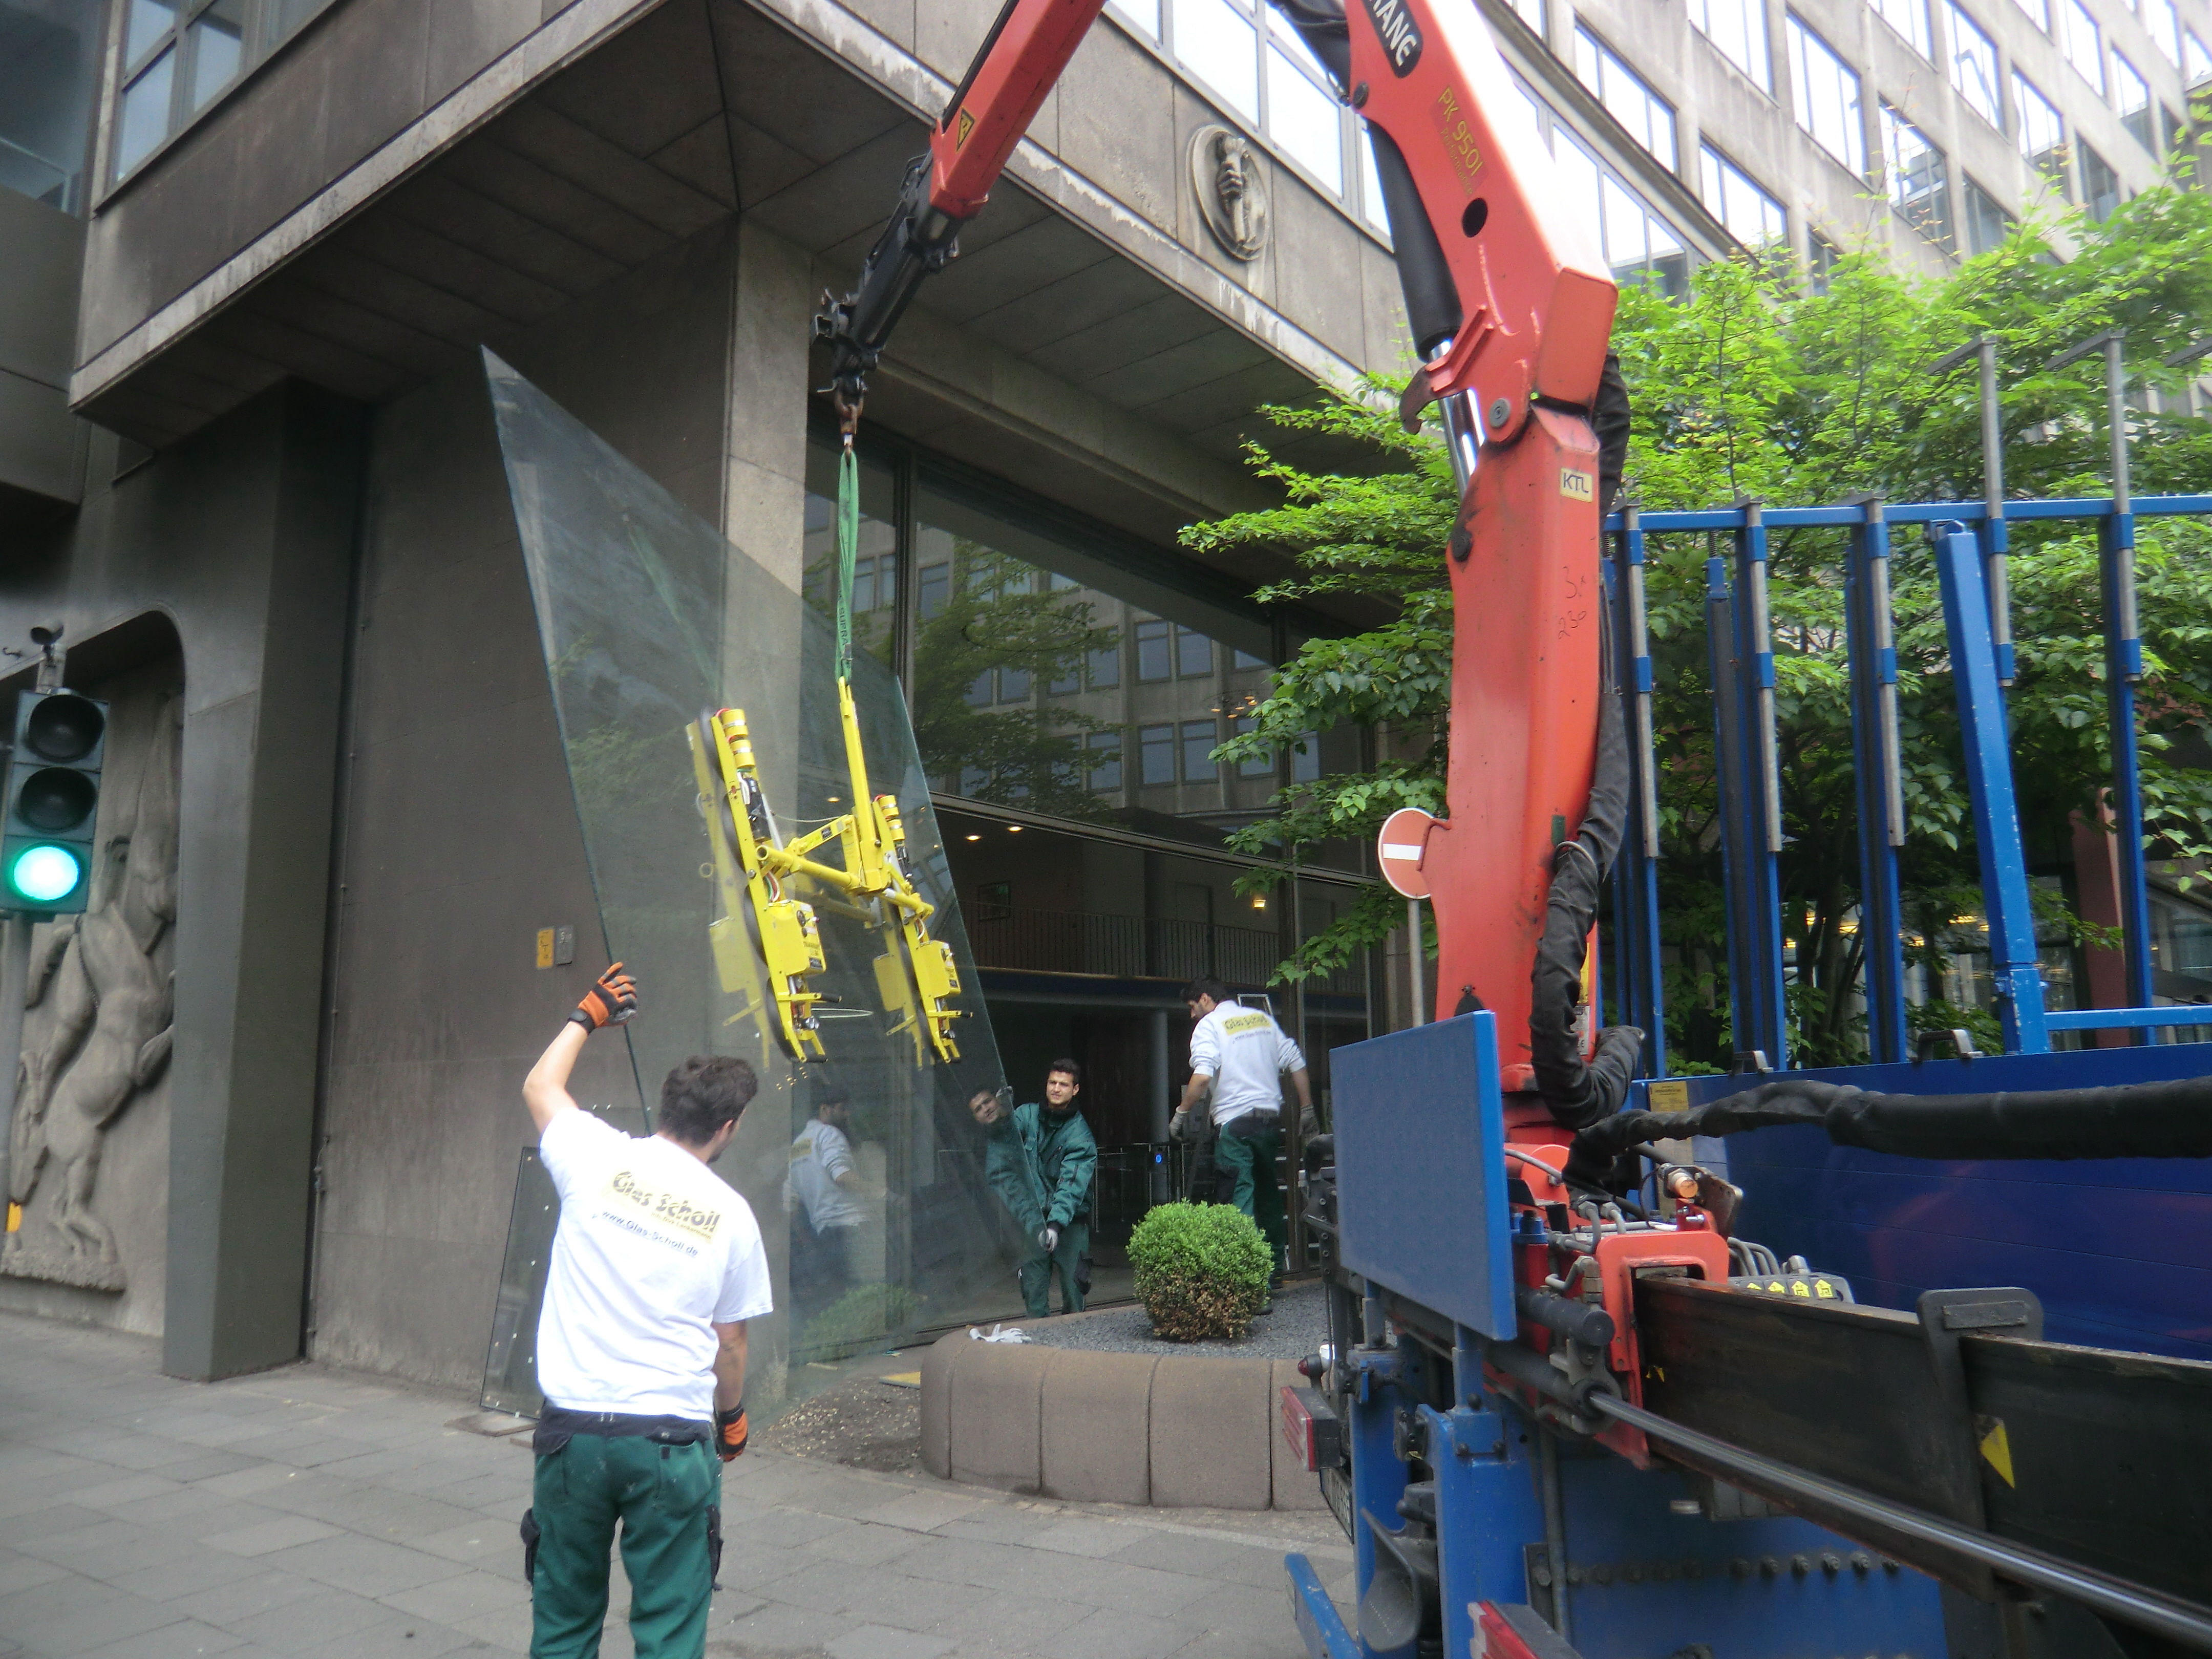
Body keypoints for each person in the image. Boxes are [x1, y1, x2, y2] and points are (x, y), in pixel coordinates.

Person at [518, 963, 773, 1659]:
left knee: (564, 1621)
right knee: (668, 1626)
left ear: (667, 1108)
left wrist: (588, 1014)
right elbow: (732, 1344)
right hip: (669, 1440)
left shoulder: (594, 1156)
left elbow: (540, 1085)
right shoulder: (731, 1215)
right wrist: (733, 1420)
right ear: (726, 1127)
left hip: (570, 1435)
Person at [1173, 980, 1313, 1282]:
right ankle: (1274, 1270)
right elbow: (1296, 1061)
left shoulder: (1209, 1026)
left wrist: (1181, 1113)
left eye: (1192, 1007)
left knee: (1239, 1196)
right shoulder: (1261, 1019)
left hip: (1234, 1124)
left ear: (1206, 999)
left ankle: (1251, 1281)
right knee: (1268, 1195)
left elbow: (1201, 1076)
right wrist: (1307, 1109)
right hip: (1268, 1122)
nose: (1192, 1016)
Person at [968, 1060, 1097, 1317]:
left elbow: (1072, 1186)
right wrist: (1000, 1113)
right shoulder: (1026, 1116)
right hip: (1033, 1222)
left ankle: (1075, 1354)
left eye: (1064, 1084)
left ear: (1076, 1090)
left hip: (1070, 1224)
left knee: (1075, 1292)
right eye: (1052, 1083)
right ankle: (1037, 1353)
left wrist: (1056, 1226)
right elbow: (1003, 1152)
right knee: (1033, 1293)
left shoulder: (1080, 1135)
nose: (1056, 1089)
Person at [784, 1087, 865, 1308]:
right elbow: (841, 1176)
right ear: (825, 1109)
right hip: (845, 1224)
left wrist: (803, 1237)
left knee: (832, 1292)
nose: (847, 1114)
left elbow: (790, 1198)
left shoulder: (799, 1143)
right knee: (851, 1292)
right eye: (842, 1109)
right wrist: (881, 1193)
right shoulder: (829, 1134)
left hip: (819, 1228)